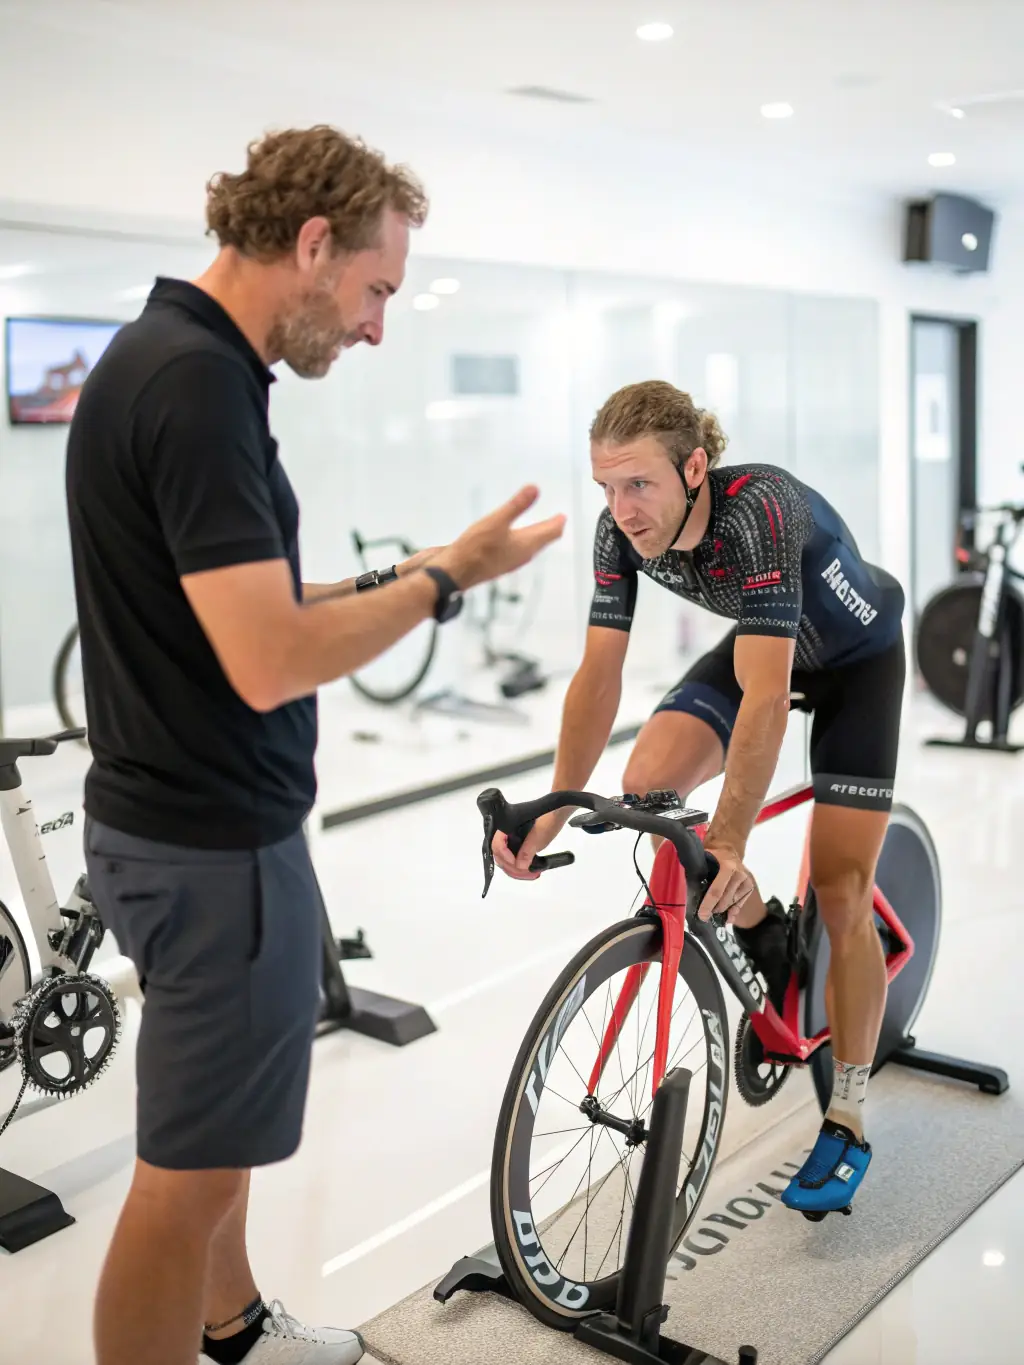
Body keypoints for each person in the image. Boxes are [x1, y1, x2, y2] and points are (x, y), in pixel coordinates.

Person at [66, 125, 564, 1365]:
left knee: (210, 1139)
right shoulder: (193, 384)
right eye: (377, 289)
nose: (378, 325)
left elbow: (244, 609)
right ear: (309, 243)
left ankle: (231, 1328)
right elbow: (269, 657)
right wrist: (445, 582)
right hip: (207, 848)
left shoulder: (167, 358)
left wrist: (410, 569)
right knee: (179, 1184)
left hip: (181, 827)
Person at [493, 379, 905, 1217]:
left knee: (841, 888)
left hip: (857, 660)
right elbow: (597, 672)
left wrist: (733, 840)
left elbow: (766, 700)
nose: (622, 507)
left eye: (638, 483)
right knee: (648, 790)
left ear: (694, 467)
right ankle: (762, 931)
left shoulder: (760, 514)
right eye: (606, 485)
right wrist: (557, 803)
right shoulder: (622, 530)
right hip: (766, 643)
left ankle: (851, 1108)